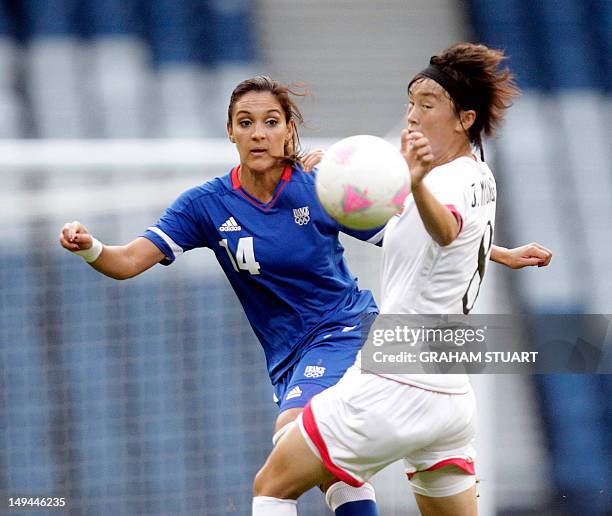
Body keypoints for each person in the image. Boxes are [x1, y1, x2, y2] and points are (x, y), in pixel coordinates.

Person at [59, 74, 550, 516]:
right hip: (287, 356)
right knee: (331, 472)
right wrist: (91, 247)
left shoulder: (321, 186)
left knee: (287, 449)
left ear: (288, 128)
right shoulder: (204, 205)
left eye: (271, 121)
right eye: (245, 122)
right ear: (229, 131)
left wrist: (494, 250)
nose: (258, 133)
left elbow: (410, 236)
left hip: (347, 330)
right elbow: (126, 262)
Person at [251, 44, 545, 516]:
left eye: (427, 106)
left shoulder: (437, 181)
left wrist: (417, 182)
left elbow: (445, 229)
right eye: (411, 102)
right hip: (449, 394)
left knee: (272, 485)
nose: (411, 115)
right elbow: (432, 235)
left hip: (397, 378)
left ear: (464, 119)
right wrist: (499, 252)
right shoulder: (479, 175)